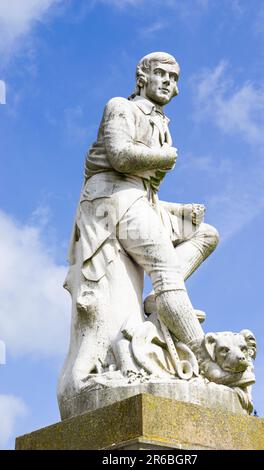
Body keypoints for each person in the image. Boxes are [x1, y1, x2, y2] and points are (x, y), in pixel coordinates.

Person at [65, 52, 219, 362]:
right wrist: (164, 158)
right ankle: (203, 354)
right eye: (161, 73)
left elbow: (144, 188)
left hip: (141, 199)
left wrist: (179, 211)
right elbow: (121, 158)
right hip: (111, 198)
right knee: (167, 272)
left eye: (173, 78)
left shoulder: (162, 122)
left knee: (206, 233)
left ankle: (156, 301)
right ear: (142, 77)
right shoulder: (121, 107)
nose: (167, 81)